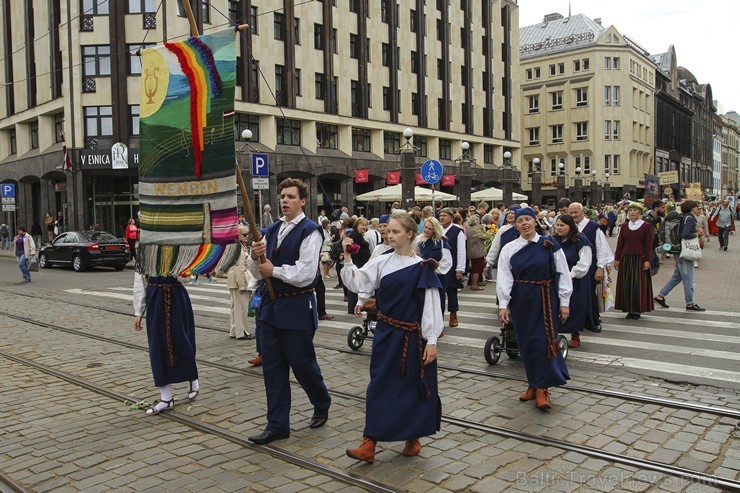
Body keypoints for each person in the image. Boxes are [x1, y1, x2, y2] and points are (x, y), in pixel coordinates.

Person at [342, 212, 443, 463]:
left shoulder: (423, 267)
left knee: (413, 387)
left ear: (410, 234)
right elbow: (357, 282)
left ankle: (413, 437)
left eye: (396, 231)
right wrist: (346, 257)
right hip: (386, 334)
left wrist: (431, 341)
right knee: (379, 386)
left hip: (413, 337)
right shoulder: (382, 261)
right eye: (389, 231)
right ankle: (370, 442)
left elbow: (431, 306)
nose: (390, 235)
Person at [246, 177, 331, 445]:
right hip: (271, 307)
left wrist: (276, 270)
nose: (285, 200)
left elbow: (307, 274)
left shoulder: (311, 231)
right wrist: (254, 255)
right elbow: (256, 272)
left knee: (303, 365)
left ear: (302, 201)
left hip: (297, 305)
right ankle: (277, 424)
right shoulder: (270, 230)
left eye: (291, 197)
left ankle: (321, 401)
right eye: (282, 196)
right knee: (273, 368)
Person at [497, 208, 572, 410]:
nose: (524, 223)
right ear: (516, 225)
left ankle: (543, 389)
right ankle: (533, 383)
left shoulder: (549, 245)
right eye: (520, 220)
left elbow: (563, 273)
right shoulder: (510, 248)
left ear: (534, 221)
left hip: (545, 298)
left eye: (528, 219)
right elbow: (504, 277)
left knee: (544, 342)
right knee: (526, 342)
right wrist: (503, 304)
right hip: (521, 301)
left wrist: (565, 302)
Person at [133, 271, 200, 415]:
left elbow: (188, 277)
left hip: (176, 298)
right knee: (157, 347)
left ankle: (192, 378)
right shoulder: (145, 251)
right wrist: (138, 312)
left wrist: (180, 272)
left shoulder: (176, 249)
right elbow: (140, 282)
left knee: (184, 342)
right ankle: (166, 398)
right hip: (155, 300)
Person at [568, 202, 614, 334]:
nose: (573, 215)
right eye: (571, 213)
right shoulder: (568, 227)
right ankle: (578, 321)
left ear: (582, 212)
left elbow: (601, 248)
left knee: (590, 294)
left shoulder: (594, 227)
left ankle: (595, 320)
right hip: (573, 266)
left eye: (576, 212)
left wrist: (600, 267)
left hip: (590, 265)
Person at [654, 200, 706, 312]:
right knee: (689, 278)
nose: (698, 208)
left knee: (677, 276)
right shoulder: (690, 218)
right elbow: (685, 234)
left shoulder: (681, 217)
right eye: (696, 207)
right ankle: (690, 303)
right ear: (691, 208)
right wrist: (696, 234)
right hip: (685, 251)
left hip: (678, 250)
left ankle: (660, 296)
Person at [553, 214, 592, 348]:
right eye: (557, 225)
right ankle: (554, 333)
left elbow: (585, 262)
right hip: (557, 277)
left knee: (575, 305)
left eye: (562, 225)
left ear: (570, 226)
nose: (559, 228)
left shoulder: (580, 240)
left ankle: (576, 335)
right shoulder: (554, 240)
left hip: (575, 278)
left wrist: (571, 274)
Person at [614, 204, 654, 320]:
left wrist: (647, 260)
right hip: (626, 257)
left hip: (639, 258)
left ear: (640, 213)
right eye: (630, 210)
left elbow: (648, 245)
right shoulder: (625, 226)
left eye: (635, 210)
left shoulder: (646, 226)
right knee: (627, 283)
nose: (632, 212)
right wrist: (617, 259)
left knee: (638, 284)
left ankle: (637, 309)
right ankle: (629, 308)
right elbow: (620, 243)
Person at [438, 208, 466, 327]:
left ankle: (453, 314)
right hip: (439, 265)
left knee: (451, 290)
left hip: (452, 265)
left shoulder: (457, 231)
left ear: (450, 217)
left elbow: (461, 251)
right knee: (439, 292)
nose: (441, 218)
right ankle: (439, 317)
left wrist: (460, 269)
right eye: (440, 216)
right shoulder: (438, 230)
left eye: (444, 216)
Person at [227, 225, 255, 340]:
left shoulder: (237, 246)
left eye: (247, 234)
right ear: (237, 235)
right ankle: (242, 332)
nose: (247, 236)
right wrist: (242, 285)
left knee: (235, 307)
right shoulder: (238, 247)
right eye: (244, 234)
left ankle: (234, 331)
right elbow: (239, 268)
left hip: (234, 280)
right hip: (239, 281)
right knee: (241, 308)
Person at [347, 218, 372, 314]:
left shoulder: (358, 235)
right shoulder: (356, 235)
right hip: (358, 263)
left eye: (366, 225)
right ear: (357, 225)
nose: (364, 227)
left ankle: (352, 307)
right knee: (356, 285)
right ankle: (353, 307)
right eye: (362, 225)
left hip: (360, 262)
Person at [465, 215, 487, 291]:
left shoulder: (468, 229)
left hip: (471, 250)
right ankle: (474, 284)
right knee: (477, 269)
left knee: (474, 268)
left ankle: (473, 283)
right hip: (478, 251)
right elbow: (484, 236)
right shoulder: (476, 229)